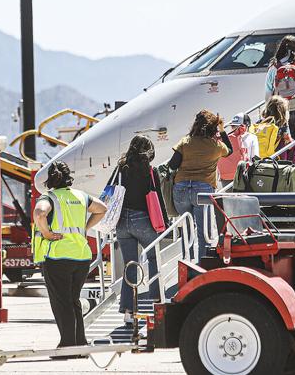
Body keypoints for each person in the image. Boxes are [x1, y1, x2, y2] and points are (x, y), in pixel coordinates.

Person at [32, 162, 108, 352]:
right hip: (82, 257)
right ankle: (80, 343)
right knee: (73, 300)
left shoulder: (49, 197)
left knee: (61, 302)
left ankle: (67, 344)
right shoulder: (81, 196)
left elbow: (39, 213)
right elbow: (102, 208)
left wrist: (47, 233)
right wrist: (85, 228)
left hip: (58, 257)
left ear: (51, 179)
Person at [111, 136, 162, 324]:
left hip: (121, 221)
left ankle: (128, 312)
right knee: (155, 257)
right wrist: (163, 223)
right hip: (142, 219)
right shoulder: (149, 170)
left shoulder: (121, 169)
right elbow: (158, 199)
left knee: (130, 265)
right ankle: (157, 301)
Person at [168, 110, 232, 256]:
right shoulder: (217, 146)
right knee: (204, 231)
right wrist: (222, 131)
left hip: (181, 189)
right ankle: (202, 263)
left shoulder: (185, 142)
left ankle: (187, 261)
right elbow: (231, 150)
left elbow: (172, 165)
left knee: (186, 229)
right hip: (203, 191)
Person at [217, 113, 258, 189]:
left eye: (233, 126)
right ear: (247, 126)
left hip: (225, 177)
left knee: (228, 199)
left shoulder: (224, 138)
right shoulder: (252, 137)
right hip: (243, 176)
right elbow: (255, 158)